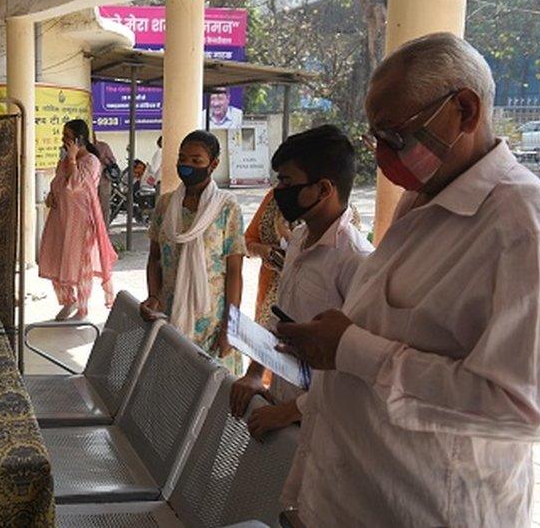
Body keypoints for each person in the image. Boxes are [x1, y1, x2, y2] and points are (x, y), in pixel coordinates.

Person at [277, 33, 540, 526]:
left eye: (396, 137)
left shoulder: (521, 225)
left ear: (464, 109)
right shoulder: (421, 200)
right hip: (354, 497)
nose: (383, 156)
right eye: (376, 138)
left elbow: (520, 407)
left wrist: (352, 348)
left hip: (431, 508)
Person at [229, 125, 372, 443]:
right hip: (280, 397)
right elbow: (280, 315)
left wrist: (291, 410)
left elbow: (353, 364)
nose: (278, 190)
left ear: (323, 190)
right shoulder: (299, 238)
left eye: (286, 181)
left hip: (321, 422)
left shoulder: (357, 261)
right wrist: (255, 374)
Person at [141, 130, 246, 373]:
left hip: (212, 323)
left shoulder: (226, 207)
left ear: (213, 164)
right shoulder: (165, 205)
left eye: (196, 160)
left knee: (212, 398)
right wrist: (153, 296)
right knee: (173, 390)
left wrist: (230, 328)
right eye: (182, 158)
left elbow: (234, 272)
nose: (187, 165)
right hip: (170, 315)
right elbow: (155, 258)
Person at [39, 119, 118, 321]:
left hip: (82, 223)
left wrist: (73, 159)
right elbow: (59, 184)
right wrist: (51, 195)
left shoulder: (91, 161)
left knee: (81, 267)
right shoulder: (63, 161)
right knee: (55, 260)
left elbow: (75, 186)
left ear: (79, 139)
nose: (63, 139)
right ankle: (68, 301)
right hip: (60, 220)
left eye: (67, 136)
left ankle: (82, 308)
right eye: (63, 135)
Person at [243, 189, 291, 330]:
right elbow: (247, 242)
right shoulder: (274, 198)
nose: (282, 185)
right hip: (269, 302)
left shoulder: (339, 213)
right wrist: (262, 250)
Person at [91, 129, 118, 227]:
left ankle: (104, 229)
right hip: (91, 183)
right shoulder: (85, 148)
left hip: (104, 181)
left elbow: (113, 162)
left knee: (104, 207)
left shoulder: (103, 146)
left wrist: (103, 160)